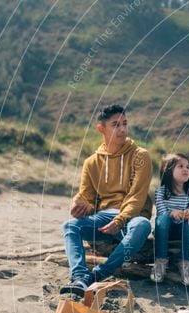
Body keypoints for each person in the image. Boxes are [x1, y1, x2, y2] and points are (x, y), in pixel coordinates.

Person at [60, 104, 153, 296]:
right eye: (116, 125)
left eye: (125, 124)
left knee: (143, 225)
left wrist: (120, 220)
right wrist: (79, 204)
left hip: (130, 217)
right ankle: (79, 276)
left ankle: (95, 276)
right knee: (70, 226)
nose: (122, 129)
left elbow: (137, 197)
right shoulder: (91, 162)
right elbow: (88, 197)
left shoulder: (140, 156)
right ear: (101, 128)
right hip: (103, 218)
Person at [150, 153, 189, 286]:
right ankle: (160, 260)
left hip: (182, 230)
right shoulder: (161, 192)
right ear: (168, 171)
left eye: (188, 167)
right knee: (162, 219)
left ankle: (184, 262)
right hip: (165, 229)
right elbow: (161, 211)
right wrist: (172, 213)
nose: (186, 169)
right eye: (180, 166)